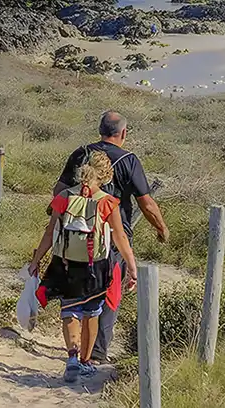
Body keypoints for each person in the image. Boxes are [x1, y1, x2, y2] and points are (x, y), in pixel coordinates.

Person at [52, 110, 167, 364]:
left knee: (76, 293)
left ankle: (75, 351)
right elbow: (146, 204)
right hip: (112, 237)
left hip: (77, 235)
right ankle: (97, 352)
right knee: (108, 294)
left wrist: (57, 214)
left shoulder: (80, 153)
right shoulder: (129, 160)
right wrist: (161, 229)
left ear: (100, 129)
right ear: (123, 133)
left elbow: (58, 189)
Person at [26, 150, 137, 382]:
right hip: (96, 266)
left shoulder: (64, 197)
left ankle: (72, 357)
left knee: (70, 310)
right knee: (92, 312)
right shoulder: (108, 202)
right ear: (106, 176)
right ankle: (86, 361)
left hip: (65, 263)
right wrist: (132, 267)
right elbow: (120, 239)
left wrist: (36, 260)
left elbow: (50, 232)